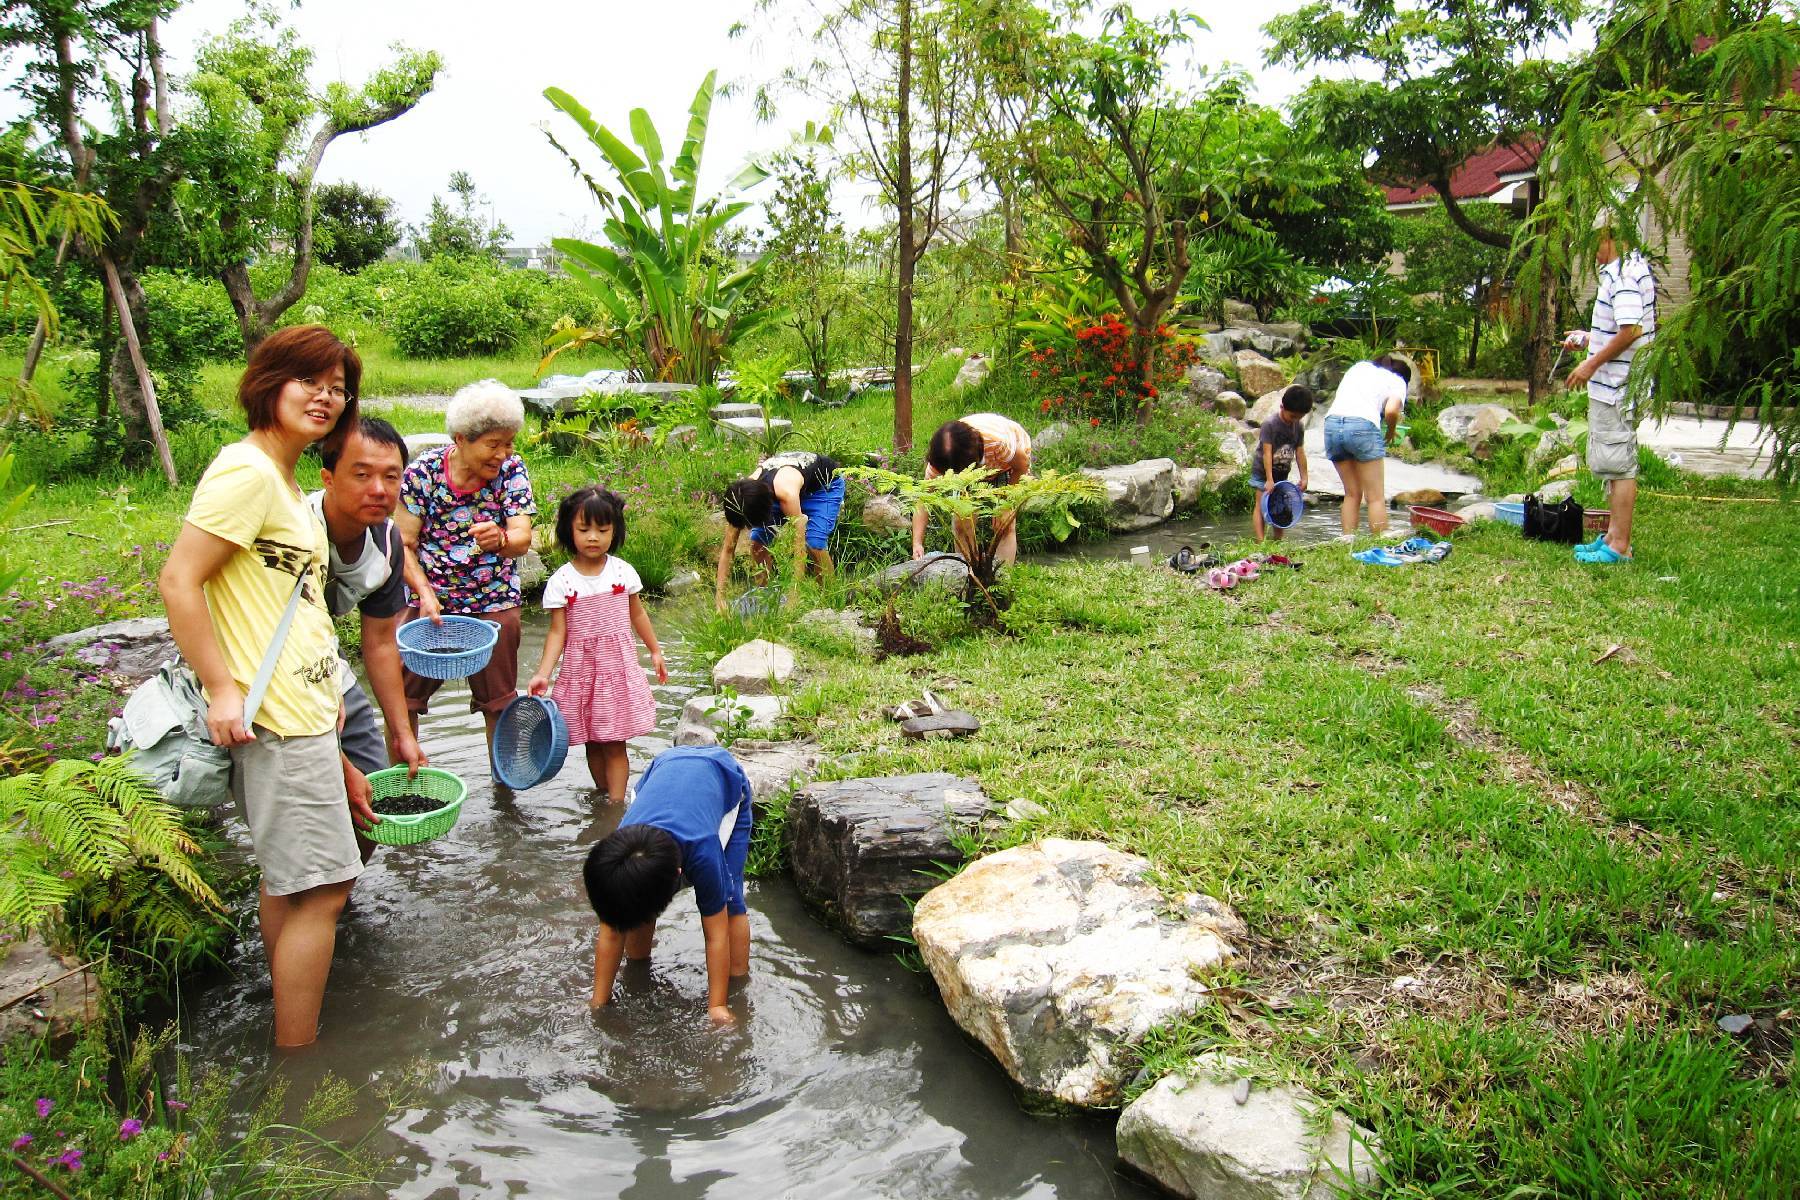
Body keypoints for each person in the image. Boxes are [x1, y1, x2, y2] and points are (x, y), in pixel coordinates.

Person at [158, 324, 362, 1048]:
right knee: (328, 887)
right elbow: (180, 579)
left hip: (298, 707)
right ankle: (297, 1062)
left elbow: (290, 601)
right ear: (269, 382)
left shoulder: (280, 477)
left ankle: (285, 1024)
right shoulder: (246, 472)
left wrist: (327, 687)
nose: (326, 398)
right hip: (272, 715)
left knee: (289, 881)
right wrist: (221, 688)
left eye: (338, 388)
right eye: (311, 381)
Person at [308, 416, 429, 863]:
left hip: (324, 665)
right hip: (268, 668)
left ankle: (341, 905)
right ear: (328, 478)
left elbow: (379, 643)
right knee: (318, 812)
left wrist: (401, 733)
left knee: (370, 804)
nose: (379, 489)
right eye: (362, 474)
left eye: (391, 476)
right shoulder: (295, 533)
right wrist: (336, 764)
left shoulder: (388, 542)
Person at [395, 380, 536, 750]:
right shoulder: (422, 475)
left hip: (493, 599)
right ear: (461, 439)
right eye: (493, 444)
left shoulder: (511, 471)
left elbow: (522, 536)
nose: (503, 454)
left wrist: (502, 540)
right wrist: (424, 593)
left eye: (508, 443)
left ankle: (504, 794)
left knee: (499, 702)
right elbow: (404, 544)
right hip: (431, 604)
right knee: (402, 699)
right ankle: (399, 781)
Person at [584, 745, 754, 1026]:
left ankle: (735, 987)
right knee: (631, 901)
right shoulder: (621, 852)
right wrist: (597, 1002)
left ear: (678, 874)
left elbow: (716, 935)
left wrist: (718, 1006)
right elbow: (612, 930)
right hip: (661, 771)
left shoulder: (703, 852)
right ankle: (638, 968)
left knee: (731, 900)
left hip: (724, 781)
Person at [528, 487, 668, 802]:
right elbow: (556, 633)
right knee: (592, 740)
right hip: (582, 674)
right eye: (584, 529)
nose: (594, 537)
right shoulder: (562, 581)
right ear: (568, 531)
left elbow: (638, 613)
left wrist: (655, 650)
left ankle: (616, 806)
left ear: (614, 531)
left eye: (603, 530)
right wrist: (543, 673)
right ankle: (603, 796)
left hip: (616, 671)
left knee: (615, 742)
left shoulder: (621, 572)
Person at [1565, 211, 1655, 564]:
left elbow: (1632, 330)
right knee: (1611, 462)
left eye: (1593, 242)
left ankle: (1619, 547)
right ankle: (1612, 536)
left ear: (1610, 236)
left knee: (1619, 465)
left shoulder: (1625, 275)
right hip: (1615, 382)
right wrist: (1589, 340)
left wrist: (1590, 363)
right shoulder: (1625, 270)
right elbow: (1626, 327)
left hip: (1618, 386)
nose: (1591, 251)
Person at [715, 450, 843, 612]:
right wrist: (720, 601)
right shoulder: (740, 500)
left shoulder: (786, 493)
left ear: (765, 509)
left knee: (814, 543)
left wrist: (793, 596)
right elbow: (727, 550)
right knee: (757, 546)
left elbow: (799, 548)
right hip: (782, 488)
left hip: (823, 488)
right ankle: (767, 599)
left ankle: (829, 601)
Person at [911, 413, 1032, 566]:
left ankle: (1003, 579)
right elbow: (923, 500)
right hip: (971, 466)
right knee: (962, 524)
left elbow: (1021, 466)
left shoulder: (998, 442)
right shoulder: (941, 459)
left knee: (1004, 525)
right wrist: (917, 543)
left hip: (1008, 466)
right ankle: (968, 574)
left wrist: (1006, 504)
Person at [1321, 355, 1411, 538]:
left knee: (1352, 493)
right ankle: (1379, 540)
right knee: (1375, 497)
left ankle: (1347, 539)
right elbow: (1391, 410)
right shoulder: (1398, 380)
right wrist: (1391, 430)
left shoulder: (1360, 366)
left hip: (1331, 425)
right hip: (1362, 426)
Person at [1252, 385, 1313, 542]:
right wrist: (1269, 479)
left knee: (1280, 506)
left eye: (1299, 417)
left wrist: (1304, 477)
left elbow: (1300, 452)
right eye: (1292, 416)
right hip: (1263, 472)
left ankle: (1277, 541)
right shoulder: (1270, 424)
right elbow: (1266, 453)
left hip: (1282, 473)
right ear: (1282, 407)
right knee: (1260, 505)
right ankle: (1260, 542)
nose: (1295, 420)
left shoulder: (1298, 427)